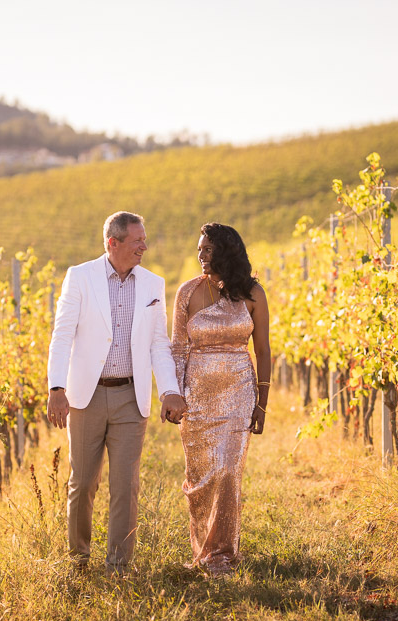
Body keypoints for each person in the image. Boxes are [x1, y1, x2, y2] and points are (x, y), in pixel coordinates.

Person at [47, 211, 187, 574]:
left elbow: (158, 343)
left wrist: (169, 390)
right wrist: (56, 387)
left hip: (130, 397)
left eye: (144, 240)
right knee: (83, 483)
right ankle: (78, 559)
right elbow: (62, 335)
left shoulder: (153, 284)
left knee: (126, 485)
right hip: (87, 396)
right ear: (113, 243)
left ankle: (119, 567)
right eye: (137, 241)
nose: (144, 247)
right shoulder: (80, 277)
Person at [170, 222, 271, 576]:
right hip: (196, 397)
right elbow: (178, 349)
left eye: (208, 250)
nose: (201, 255)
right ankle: (203, 551)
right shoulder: (187, 292)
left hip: (239, 393)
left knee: (228, 472)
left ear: (226, 252)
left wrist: (261, 403)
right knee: (201, 480)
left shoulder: (253, 293)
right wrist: (176, 395)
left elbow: (263, 350)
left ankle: (222, 555)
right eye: (199, 249)